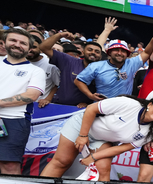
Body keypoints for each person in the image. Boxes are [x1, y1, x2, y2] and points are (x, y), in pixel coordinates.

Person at [40, 96, 153, 181]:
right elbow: (91, 109)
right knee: (62, 161)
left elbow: (121, 149)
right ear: (149, 105)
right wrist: (83, 135)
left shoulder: (149, 132)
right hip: (81, 127)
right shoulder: (129, 104)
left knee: (103, 168)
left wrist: (93, 157)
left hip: (103, 140)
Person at [0, 28, 45, 175]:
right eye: (13, 40)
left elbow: (31, 95)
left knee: (9, 166)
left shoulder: (36, 71)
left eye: (23, 43)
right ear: (4, 42)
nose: (17, 45)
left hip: (13, 121)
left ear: (29, 48)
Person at [75, 31, 153, 100]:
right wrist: (90, 95)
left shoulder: (131, 64)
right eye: (116, 50)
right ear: (109, 52)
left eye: (123, 51)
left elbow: (146, 52)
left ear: (127, 54)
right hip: (102, 107)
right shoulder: (96, 66)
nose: (120, 53)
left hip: (122, 108)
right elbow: (79, 81)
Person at [39, 31, 102, 107]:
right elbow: (43, 47)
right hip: (57, 105)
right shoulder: (69, 61)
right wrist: (60, 35)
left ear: (101, 56)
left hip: (80, 109)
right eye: (90, 50)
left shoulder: (103, 70)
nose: (93, 52)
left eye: (97, 51)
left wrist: (89, 103)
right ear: (82, 52)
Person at [25, 35, 60, 108]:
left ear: (40, 49)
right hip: (18, 104)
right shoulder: (16, 61)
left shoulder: (51, 64)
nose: (29, 50)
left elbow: (57, 84)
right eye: (27, 46)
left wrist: (48, 99)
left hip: (39, 105)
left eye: (34, 47)